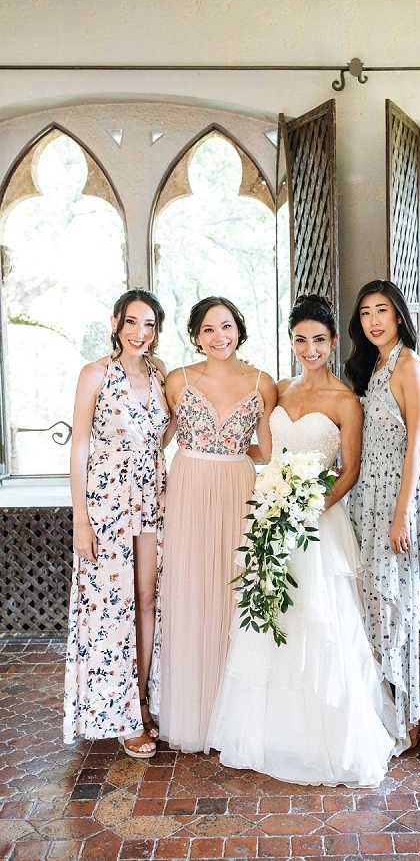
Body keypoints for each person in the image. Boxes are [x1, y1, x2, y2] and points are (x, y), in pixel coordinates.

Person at [208, 294, 396, 786]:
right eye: (300, 339)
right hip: (269, 514)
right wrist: (219, 448)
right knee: (271, 618)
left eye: (318, 340)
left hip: (314, 522)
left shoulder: (345, 400)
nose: (309, 348)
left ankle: (324, 738)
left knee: (317, 621)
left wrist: (305, 510)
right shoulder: (281, 391)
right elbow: (266, 450)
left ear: (333, 343)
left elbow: (349, 470)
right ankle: (274, 735)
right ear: (291, 342)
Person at [159, 296, 276, 753]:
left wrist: (229, 455)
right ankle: (195, 711)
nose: (218, 337)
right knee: (191, 589)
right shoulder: (177, 381)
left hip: (237, 487)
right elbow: (158, 437)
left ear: (239, 330)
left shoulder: (262, 382)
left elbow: (266, 450)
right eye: (208, 329)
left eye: (226, 327)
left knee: (234, 589)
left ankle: (236, 715)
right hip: (189, 485)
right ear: (195, 335)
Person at [64, 288, 172, 758]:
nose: (140, 333)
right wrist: (80, 520)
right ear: (115, 323)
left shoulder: (161, 374)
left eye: (149, 325)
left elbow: (168, 429)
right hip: (106, 502)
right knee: (113, 605)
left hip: (150, 497)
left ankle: (143, 701)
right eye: (132, 323)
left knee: (147, 598)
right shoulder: (95, 375)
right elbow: (80, 447)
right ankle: (121, 714)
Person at [346, 279, 420, 753]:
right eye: (365, 313)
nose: (374, 320)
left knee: (392, 601)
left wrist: (401, 513)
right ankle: (379, 707)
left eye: (382, 310)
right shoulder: (371, 366)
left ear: (398, 315)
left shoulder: (409, 366)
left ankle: (405, 716)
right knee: (368, 601)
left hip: (395, 498)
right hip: (365, 494)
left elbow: (416, 441)